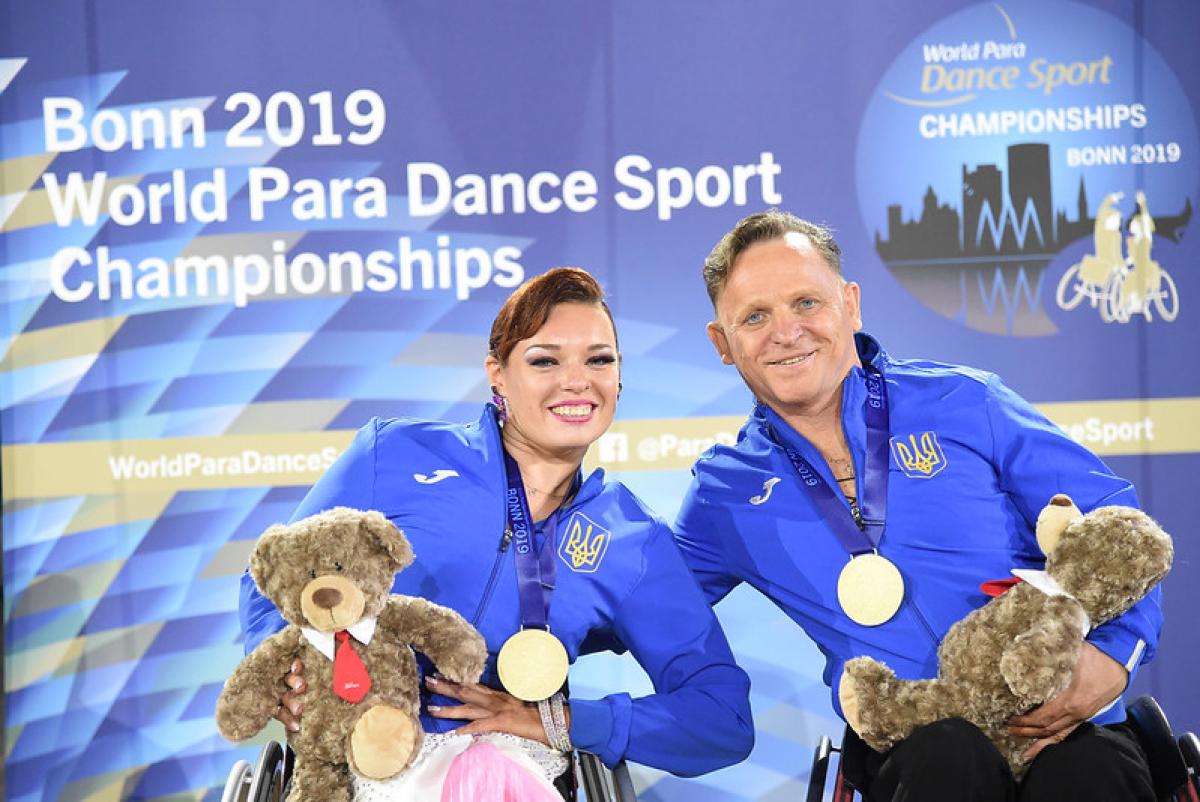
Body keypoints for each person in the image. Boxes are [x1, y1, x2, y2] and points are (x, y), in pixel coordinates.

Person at [673, 210, 1162, 801]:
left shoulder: (965, 399)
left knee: (1082, 774)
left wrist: (1112, 658)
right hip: (912, 748)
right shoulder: (723, 491)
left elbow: (1115, 527)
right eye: (754, 316)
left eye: (806, 302)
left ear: (850, 305)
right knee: (948, 755)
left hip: (1068, 719)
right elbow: (631, 600)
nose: (786, 331)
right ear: (721, 343)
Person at [239, 267, 753, 799]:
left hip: (512, 774)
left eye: (599, 359)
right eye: (545, 360)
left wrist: (558, 722)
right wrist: (289, 675)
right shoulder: (394, 455)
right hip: (360, 756)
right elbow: (272, 582)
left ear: (619, 377)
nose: (576, 380)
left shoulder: (631, 538)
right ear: (498, 374)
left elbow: (720, 718)